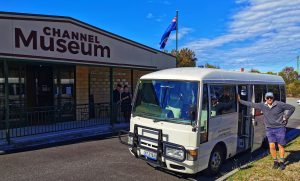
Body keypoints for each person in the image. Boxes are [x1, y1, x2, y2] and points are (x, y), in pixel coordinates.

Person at [237, 92, 295, 170]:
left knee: (280, 146)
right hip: (269, 129)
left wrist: (286, 117)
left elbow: (292, 108)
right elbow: (251, 104)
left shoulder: (279, 104)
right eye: (268, 98)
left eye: (271, 98)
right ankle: (275, 162)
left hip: (279, 128)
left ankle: (282, 162)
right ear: (265, 98)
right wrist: (240, 101)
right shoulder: (262, 105)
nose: (269, 99)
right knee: (272, 146)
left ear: (273, 98)